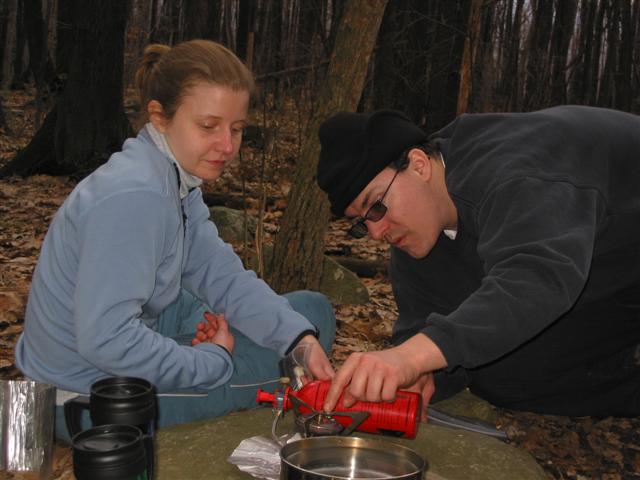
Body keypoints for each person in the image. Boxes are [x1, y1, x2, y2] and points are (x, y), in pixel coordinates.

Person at [15, 39, 335, 440]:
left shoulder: (173, 179)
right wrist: (211, 361)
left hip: (109, 354)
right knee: (314, 329)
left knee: (309, 316)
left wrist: (297, 338)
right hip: (83, 397)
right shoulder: (137, 194)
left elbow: (220, 275)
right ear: (160, 116)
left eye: (236, 129)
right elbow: (107, 339)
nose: (227, 146)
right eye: (208, 126)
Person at [316, 106, 640, 418]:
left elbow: (537, 276)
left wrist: (413, 356)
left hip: (618, 250)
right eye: (362, 223)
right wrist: (420, 371)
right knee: (497, 371)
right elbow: (422, 324)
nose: (376, 232)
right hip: (610, 277)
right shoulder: (417, 231)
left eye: (376, 206)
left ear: (419, 165)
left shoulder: (514, 168)